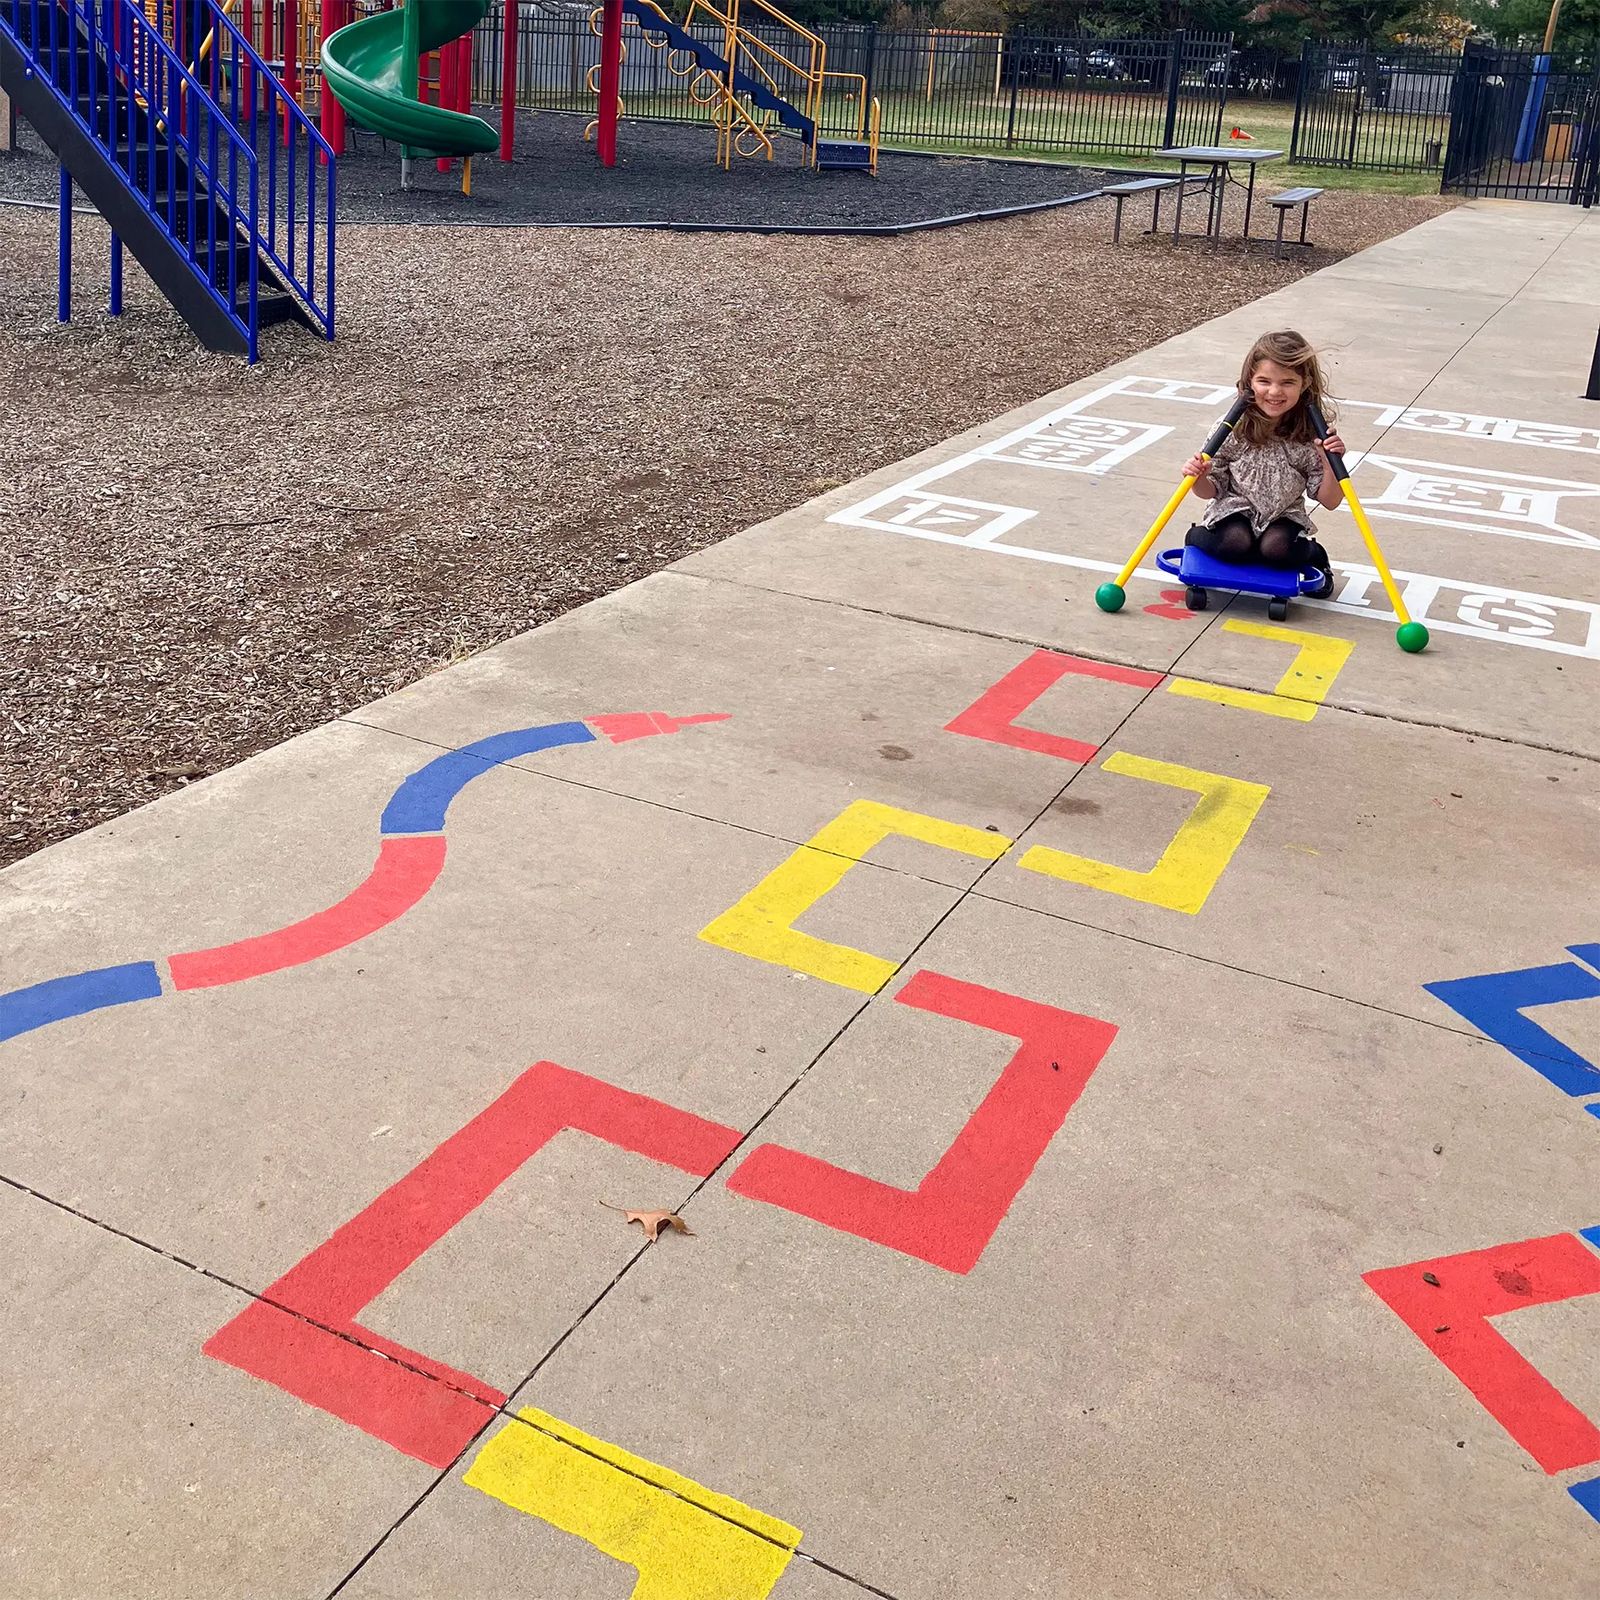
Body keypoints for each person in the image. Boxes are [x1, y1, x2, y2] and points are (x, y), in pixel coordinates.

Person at [1183, 330, 1346, 600]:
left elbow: (1331, 501)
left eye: (1287, 382)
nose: (1274, 391)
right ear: (1250, 381)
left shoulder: (1312, 434)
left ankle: (1315, 554)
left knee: (1275, 550)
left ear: (1305, 383)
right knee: (1234, 545)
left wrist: (1331, 463)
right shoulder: (1232, 428)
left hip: (1283, 515)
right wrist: (1198, 476)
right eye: (1264, 381)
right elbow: (1210, 491)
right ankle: (1196, 537)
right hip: (1233, 510)